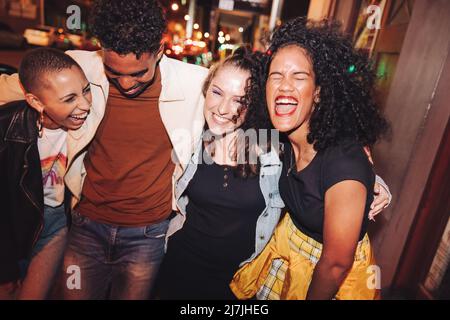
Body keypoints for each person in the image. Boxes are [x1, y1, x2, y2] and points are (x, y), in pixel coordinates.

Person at [0, 0, 207, 299]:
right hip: (85, 228)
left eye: (138, 74)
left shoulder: (195, 83)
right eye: (114, 71)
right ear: (101, 49)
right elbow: (11, 87)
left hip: (147, 236)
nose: (125, 83)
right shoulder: (79, 67)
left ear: (160, 51)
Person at [156, 47, 390, 299]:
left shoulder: (273, 147)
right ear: (206, 91)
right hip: (180, 265)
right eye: (217, 92)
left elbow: (319, 164)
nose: (223, 108)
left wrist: (372, 181)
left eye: (240, 100)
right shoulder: (190, 134)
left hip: (239, 279)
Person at [230, 18, 390, 300]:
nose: (284, 86)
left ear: (318, 92)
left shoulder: (344, 163)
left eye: (299, 76)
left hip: (329, 280)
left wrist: (370, 181)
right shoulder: (281, 139)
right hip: (287, 255)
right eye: (276, 76)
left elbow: (336, 264)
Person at [0, 48, 92, 299]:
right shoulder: (8, 128)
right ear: (36, 101)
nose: (84, 105)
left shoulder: (88, 124)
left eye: (85, 90)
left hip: (55, 224)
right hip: (10, 224)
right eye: (69, 98)